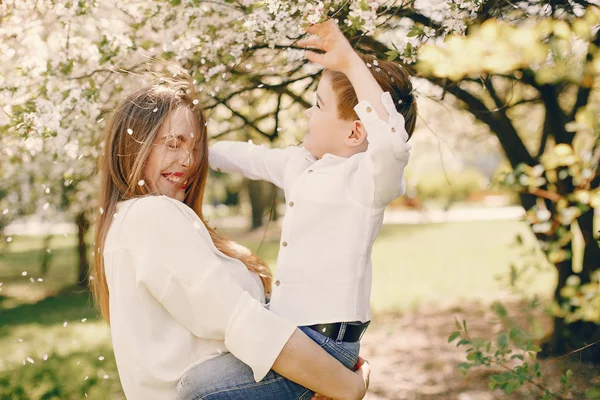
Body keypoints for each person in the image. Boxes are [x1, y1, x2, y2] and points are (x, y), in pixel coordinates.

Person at [91, 67, 370, 400]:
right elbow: (246, 325)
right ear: (134, 144)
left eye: (194, 148)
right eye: (174, 144)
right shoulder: (151, 216)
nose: (188, 161)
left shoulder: (128, 222)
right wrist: (348, 384)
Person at [181, 18, 417, 399]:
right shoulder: (301, 164)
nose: (308, 114)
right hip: (287, 331)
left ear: (356, 132)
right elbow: (248, 158)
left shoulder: (365, 182)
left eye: (318, 106)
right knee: (196, 365)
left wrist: (351, 64)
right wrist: (192, 152)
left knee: (199, 391)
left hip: (326, 343)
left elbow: (391, 142)